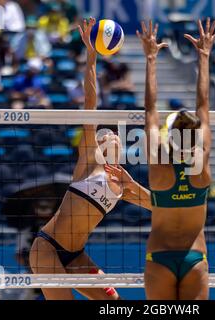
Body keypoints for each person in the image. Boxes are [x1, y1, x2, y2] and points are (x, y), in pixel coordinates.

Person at [29, 18, 152, 300]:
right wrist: (92, 55)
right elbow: (90, 103)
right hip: (47, 247)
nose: (112, 137)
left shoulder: (121, 184)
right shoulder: (90, 159)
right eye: (106, 135)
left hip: (76, 255)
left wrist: (133, 185)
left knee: (112, 302)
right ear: (97, 142)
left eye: (115, 136)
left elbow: (160, 207)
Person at [137, 18, 215, 300]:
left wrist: (151, 58)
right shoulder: (202, 160)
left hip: (159, 256)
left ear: (169, 135)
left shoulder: (158, 163)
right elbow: (204, 105)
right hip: (194, 257)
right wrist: (204, 55)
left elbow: (150, 110)